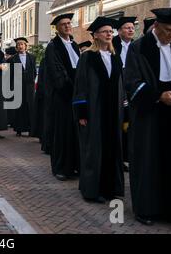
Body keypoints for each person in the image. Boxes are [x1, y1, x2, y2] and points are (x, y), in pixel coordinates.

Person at [124, 8, 171, 225]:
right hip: (150, 114)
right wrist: (158, 96)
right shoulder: (139, 48)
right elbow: (132, 82)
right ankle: (146, 209)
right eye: (168, 30)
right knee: (148, 160)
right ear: (156, 27)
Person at [73, 16, 125, 204]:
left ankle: (111, 188)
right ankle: (93, 190)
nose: (109, 34)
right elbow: (80, 86)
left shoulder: (115, 57)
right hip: (95, 110)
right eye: (105, 31)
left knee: (113, 148)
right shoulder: (88, 57)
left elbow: (121, 85)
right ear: (95, 35)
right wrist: (82, 113)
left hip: (113, 111)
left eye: (111, 32)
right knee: (94, 149)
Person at [45, 13, 80, 181]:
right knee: (61, 132)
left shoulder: (74, 45)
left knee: (73, 132)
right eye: (63, 24)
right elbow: (56, 71)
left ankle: (72, 166)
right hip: (62, 95)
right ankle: (60, 167)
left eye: (69, 23)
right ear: (57, 28)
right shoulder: (53, 46)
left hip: (75, 94)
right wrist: (69, 88)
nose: (67, 26)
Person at [113, 17, 137, 172]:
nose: (131, 30)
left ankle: (131, 157)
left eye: (132, 28)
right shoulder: (113, 45)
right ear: (120, 30)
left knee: (132, 125)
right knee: (120, 125)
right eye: (127, 28)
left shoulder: (136, 46)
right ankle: (118, 159)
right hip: (119, 90)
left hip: (134, 90)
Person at [9, 37, 36, 137]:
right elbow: (10, 74)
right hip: (18, 86)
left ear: (25, 46)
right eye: (18, 45)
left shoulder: (32, 57)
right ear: (16, 47)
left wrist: (31, 81)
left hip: (29, 86)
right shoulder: (12, 59)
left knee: (30, 107)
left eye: (22, 44)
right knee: (19, 107)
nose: (20, 46)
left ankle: (30, 129)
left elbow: (34, 72)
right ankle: (19, 129)